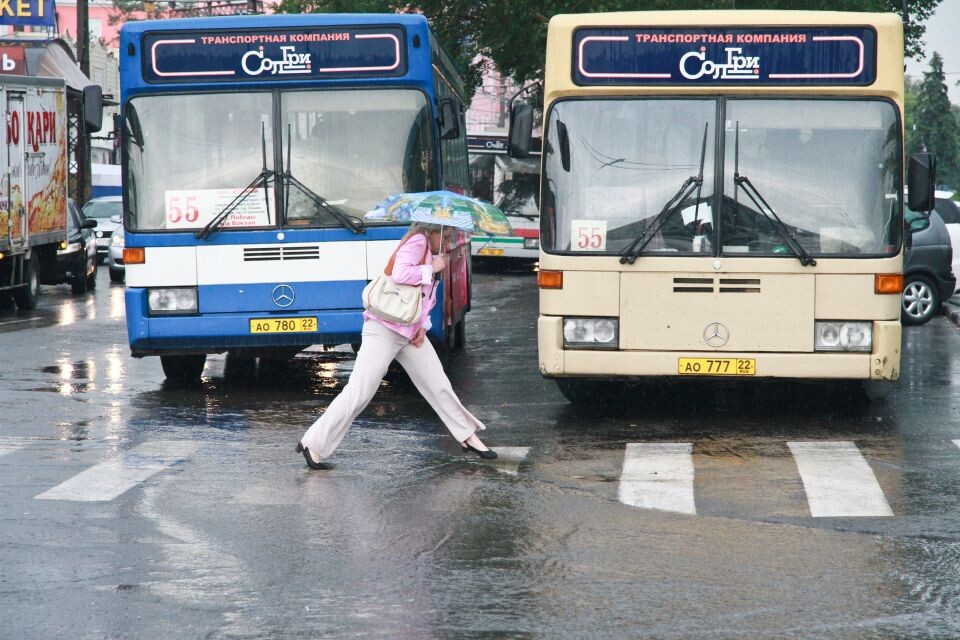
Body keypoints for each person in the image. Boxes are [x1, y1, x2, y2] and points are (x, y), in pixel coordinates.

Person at [296, 222, 496, 469]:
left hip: (410, 334)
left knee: (439, 385)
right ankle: (313, 444)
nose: (446, 245)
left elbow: (422, 299)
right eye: (444, 239)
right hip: (384, 330)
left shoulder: (430, 251)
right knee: (360, 392)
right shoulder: (417, 242)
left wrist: (422, 326)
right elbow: (400, 274)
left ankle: (468, 437)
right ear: (433, 231)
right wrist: (430, 268)